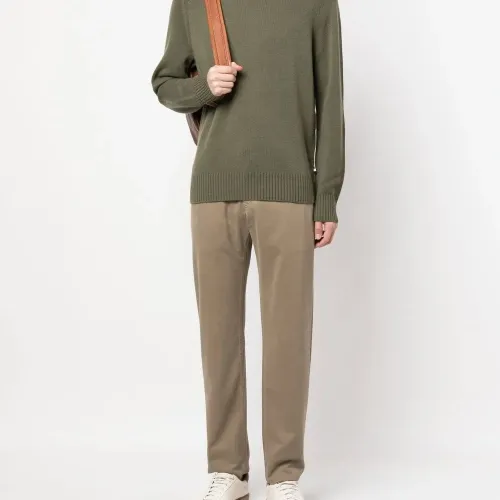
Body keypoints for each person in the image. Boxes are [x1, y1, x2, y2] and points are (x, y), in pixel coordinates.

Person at [151, 0, 344, 498]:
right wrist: (203, 87)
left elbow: (331, 97)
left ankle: (284, 474)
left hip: (291, 190)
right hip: (214, 186)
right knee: (218, 339)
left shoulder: (316, 4)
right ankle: (228, 470)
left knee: (287, 339)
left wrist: (327, 194)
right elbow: (165, 81)